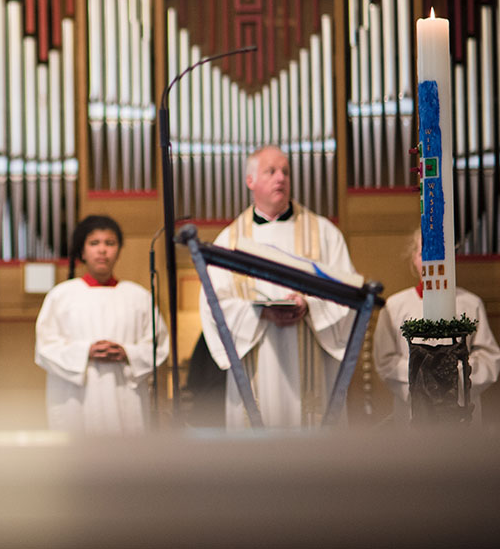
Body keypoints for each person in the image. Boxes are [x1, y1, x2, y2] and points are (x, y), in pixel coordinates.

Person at [199, 144, 359, 429]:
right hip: (258, 357)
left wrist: (310, 305)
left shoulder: (323, 233)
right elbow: (214, 304)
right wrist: (260, 313)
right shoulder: (228, 242)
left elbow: (348, 294)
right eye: (271, 171)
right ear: (250, 181)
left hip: (313, 363)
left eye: (285, 171)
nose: (281, 178)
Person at [34, 215, 169, 434]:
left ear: (119, 250)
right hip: (76, 399)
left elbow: (158, 345)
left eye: (110, 243)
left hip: (125, 397)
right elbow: (46, 347)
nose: (102, 250)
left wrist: (127, 352)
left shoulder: (138, 297)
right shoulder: (62, 296)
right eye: (94, 243)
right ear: (83, 251)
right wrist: (86, 351)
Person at [373, 232, 500, 424]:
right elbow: (385, 360)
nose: (432, 259)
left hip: (461, 408)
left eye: (440, 251)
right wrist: (424, 377)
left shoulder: (471, 303)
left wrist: (454, 374)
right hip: (412, 409)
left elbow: (489, 357)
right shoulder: (394, 306)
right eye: (424, 252)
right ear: (414, 259)